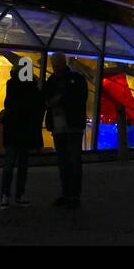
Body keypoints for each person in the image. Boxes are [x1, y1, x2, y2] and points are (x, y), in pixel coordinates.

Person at [41, 53, 89, 208]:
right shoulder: (57, 80)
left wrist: (59, 100)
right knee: (64, 161)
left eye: (56, 65)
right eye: (53, 65)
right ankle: (67, 194)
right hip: (60, 126)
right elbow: (45, 98)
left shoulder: (73, 79)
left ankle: (73, 195)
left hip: (70, 126)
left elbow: (79, 98)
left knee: (72, 161)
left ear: (62, 63)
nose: (55, 68)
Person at [0, 63, 44, 209]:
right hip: (25, 131)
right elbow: (36, 107)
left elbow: (9, 104)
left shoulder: (12, 84)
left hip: (13, 130)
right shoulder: (32, 87)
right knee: (22, 165)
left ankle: (6, 195)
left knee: (10, 164)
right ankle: (19, 194)